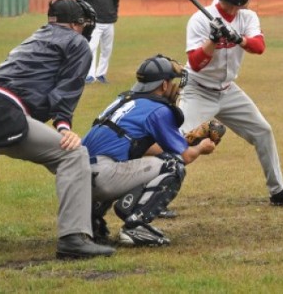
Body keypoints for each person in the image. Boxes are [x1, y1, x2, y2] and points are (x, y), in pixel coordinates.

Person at [0, 0, 115, 260]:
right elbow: (66, 90)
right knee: (73, 154)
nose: (86, 28)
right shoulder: (77, 42)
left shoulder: (38, 35)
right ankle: (73, 239)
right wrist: (63, 126)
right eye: (84, 23)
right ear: (76, 24)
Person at [178, 0, 283, 207]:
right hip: (198, 90)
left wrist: (238, 38)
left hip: (228, 91)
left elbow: (258, 47)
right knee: (176, 141)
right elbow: (196, 63)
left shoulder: (247, 17)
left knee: (263, 131)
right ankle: (152, 197)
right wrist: (213, 41)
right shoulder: (200, 19)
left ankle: (278, 191)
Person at [83, 55, 216, 246]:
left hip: (78, 179)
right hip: (104, 177)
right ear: (163, 85)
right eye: (172, 82)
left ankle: (92, 220)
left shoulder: (123, 100)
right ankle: (135, 226)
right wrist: (202, 147)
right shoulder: (158, 109)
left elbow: (137, 146)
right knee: (173, 165)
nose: (176, 87)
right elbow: (184, 156)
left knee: (124, 160)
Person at [78, 0, 119, 84]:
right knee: (91, 48)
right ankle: (89, 75)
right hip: (94, 23)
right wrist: (86, 17)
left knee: (107, 49)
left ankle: (101, 74)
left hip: (109, 22)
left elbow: (115, 1)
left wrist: (113, 14)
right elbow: (80, 0)